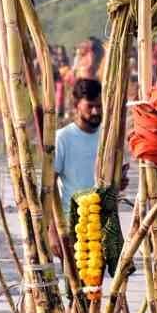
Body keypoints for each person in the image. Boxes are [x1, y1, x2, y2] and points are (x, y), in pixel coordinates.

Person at [54, 77, 102, 218]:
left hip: (101, 222)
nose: (95, 112)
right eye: (90, 106)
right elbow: (49, 187)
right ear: (76, 105)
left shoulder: (107, 137)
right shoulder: (62, 138)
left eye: (99, 106)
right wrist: (54, 230)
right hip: (73, 224)